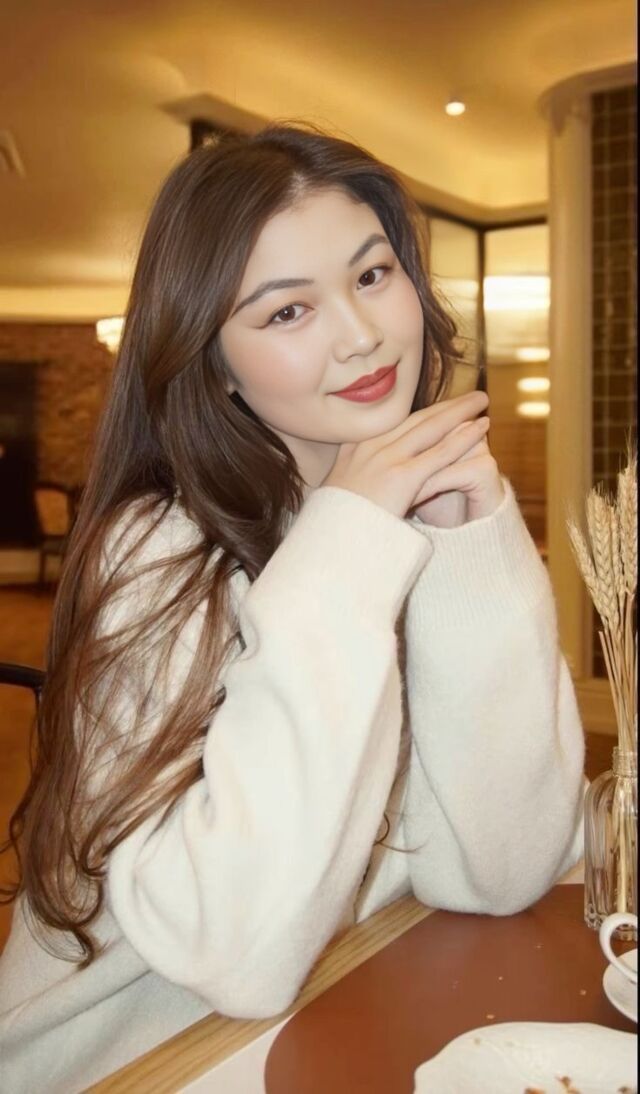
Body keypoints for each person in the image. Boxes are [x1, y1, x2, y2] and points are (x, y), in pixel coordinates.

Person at [0, 123, 585, 1092]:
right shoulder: (159, 551)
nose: (361, 335)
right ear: (213, 361)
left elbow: (501, 870)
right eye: (286, 311)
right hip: (137, 1059)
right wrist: (348, 542)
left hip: (355, 1000)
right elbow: (240, 955)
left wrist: (472, 548)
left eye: (371, 275)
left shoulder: (413, 506)